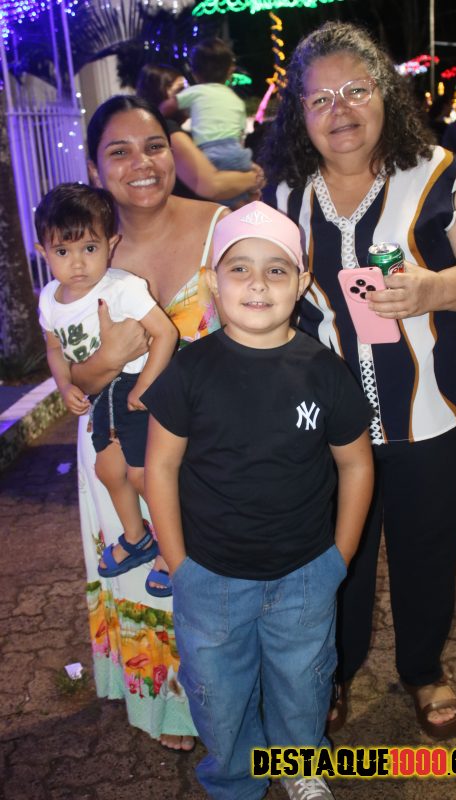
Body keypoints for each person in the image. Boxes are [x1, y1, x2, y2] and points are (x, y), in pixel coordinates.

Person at [261, 21, 456, 740]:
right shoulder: (282, 196)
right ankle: (332, 670)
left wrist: (435, 288)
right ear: (299, 113)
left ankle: (422, 669)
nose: (339, 110)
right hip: (323, 423)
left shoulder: (436, 175)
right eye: (320, 99)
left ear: (385, 94)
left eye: (355, 90)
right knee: (331, 556)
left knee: (427, 547)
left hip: (437, 409)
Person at [142, 200, 374, 800]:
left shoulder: (325, 371)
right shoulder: (188, 372)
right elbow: (160, 466)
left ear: (302, 283)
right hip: (210, 576)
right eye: (239, 268)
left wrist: (341, 556)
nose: (257, 284)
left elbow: (355, 463)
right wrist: (178, 560)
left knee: (305, 681)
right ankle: (234, 779)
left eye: (276, 270)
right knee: (218, 692)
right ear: (210, 281)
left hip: (305, 574)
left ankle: (299, 765)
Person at [71, 94, 227, 751]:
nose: (141, 163)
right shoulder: (81, 252)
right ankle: (171, 706)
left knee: (217, 584)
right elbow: (74, 382)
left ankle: (236, 699)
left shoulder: (222, 227)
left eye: (154, 146)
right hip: (118, 450)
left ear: (174, 151)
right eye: (119, 151)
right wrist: (108, 359)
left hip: (214, 450)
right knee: (147, 579)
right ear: (94, 167)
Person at [36, 183, 178, 587]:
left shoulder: (121, 288)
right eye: (63, 252)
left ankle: (173, 549)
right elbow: (54, 348)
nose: (78, 263)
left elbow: (165, 334)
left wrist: (145, 386)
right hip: (102, 395)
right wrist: (65, 385)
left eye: (89, 248)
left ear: (111, 244)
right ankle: (137, 538)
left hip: (136, 386)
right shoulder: (49, 299)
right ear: (43, 252)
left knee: (143, 476)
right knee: (108, 470)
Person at [136, 62, 263, 203]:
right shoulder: (168, 130)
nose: (188, 94)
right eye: (180, 90)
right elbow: (212, 185)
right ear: (161, 95)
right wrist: (253, 177)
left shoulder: (174, 131)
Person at [160, 37, 252, 204]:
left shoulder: (195, 92)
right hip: (236, 152)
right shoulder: (236, 100)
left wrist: (158, 115)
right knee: (239, 195)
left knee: (218, 201)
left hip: (209, 154)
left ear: (195, 73)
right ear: (229, 71)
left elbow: (168, 106)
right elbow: (240, 135)